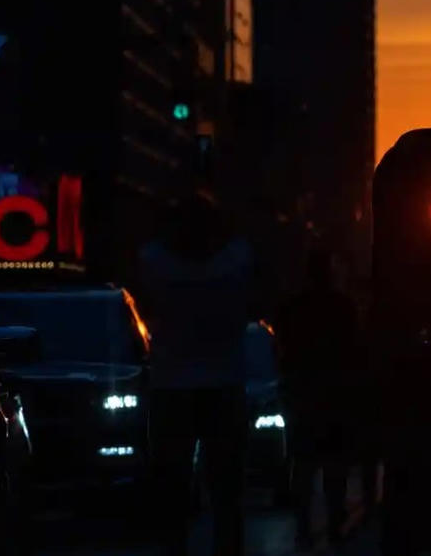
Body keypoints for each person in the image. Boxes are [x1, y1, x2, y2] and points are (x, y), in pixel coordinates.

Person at [137, 188, 257, 556]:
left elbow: (145, 307)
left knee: (172, 489)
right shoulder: (237, 260)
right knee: (227, 494)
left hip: (172, 385)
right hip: (224, 384)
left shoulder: (153, 261)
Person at [274, 245, 362, 550]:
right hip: (334, 392)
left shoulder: (293, 308)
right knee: (333, 464)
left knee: (305, 463)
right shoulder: (343, 307)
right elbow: (354, 350)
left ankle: (303, 526)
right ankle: (335, 522)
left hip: (304, 392)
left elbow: (283, 350)